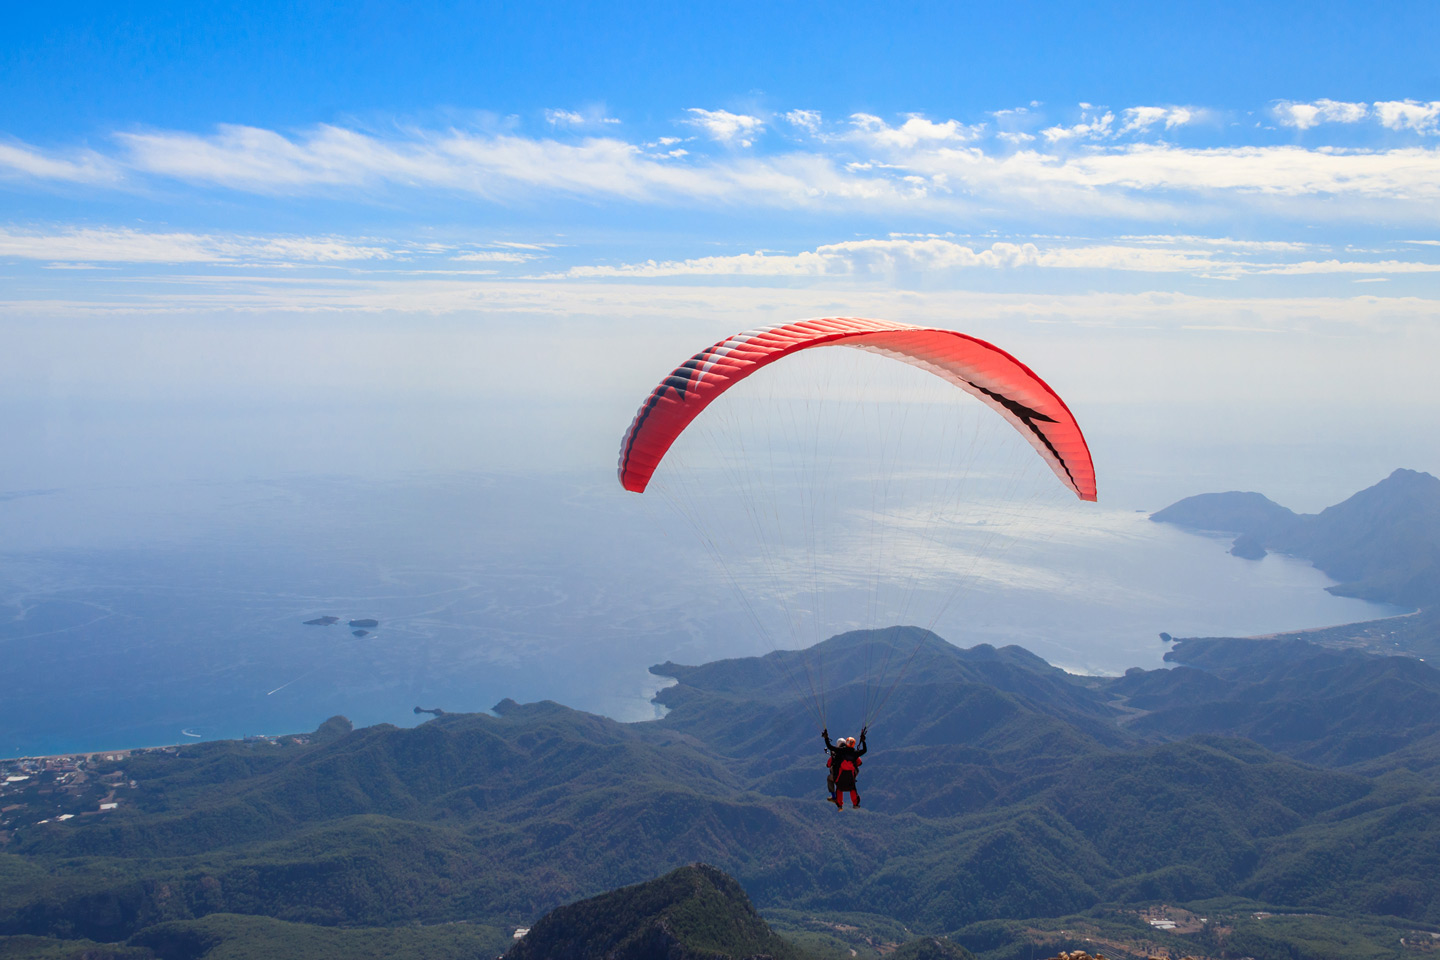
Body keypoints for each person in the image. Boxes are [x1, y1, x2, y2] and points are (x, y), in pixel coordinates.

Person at [821, 728, 867, 809]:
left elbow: (829, 747)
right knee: (852, 788)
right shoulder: (855, 754)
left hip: (839, 778)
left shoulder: (839, 752)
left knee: (838, 786)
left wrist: (826, 738)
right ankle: (855, 804)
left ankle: (838, 803)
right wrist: (863, 740)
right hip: (851, 778)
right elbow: (863, 753)